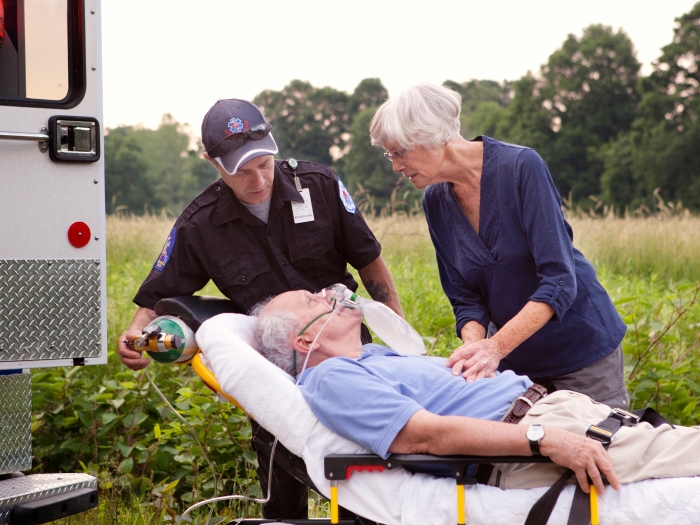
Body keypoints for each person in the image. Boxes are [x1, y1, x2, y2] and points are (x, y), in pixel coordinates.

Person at [116, 98, 404, 519]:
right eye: (242, 171)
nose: (258, 180)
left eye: (264, 164)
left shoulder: (319, 186)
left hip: (344, 349)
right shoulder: (201, 225)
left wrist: (395, 332)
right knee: (279, 459)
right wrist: (133, 334)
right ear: (213, 163)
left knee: (365, 455)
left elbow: (369, 260)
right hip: (274, 364)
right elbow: (156, 293)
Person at [253, 288, 700, 495]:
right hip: (536, 437)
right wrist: (546, 440)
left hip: (560, 413)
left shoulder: (373, 358)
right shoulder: (331, 380)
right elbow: (425, 436)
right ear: (305, 341)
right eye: (313, 300)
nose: (331, 293)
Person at [368, 82, 629, 410]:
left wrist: (494, 348)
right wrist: (475, 351)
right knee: (529, 455)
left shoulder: (521, 167)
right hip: (514, 366)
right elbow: (465, 299)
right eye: (389, 154)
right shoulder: (435, 200)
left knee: (604, 449)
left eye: (398, 152)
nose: (395, 166)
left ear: (429, 136)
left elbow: (559, 281)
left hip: (579, 349)